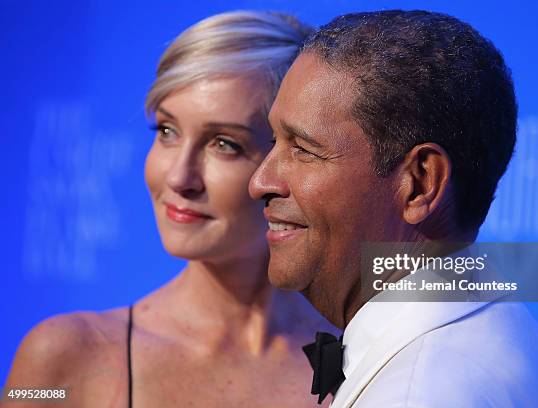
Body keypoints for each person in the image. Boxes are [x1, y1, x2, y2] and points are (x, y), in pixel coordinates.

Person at [249, 10, 538, 407]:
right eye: (274, 140)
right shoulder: (501, 339)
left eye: (304, 150)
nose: (260, 182)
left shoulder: (419, 393)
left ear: (420, 184)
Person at [5, 11, 336, 407]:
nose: (180, 177)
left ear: (290, 162)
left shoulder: (363, 355)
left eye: (224, 144)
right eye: (167, 131)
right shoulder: (62, 358)